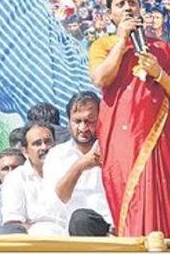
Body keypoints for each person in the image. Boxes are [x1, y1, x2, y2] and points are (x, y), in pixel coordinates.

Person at [89, 0, 170, 238]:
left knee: (165, 191)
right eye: (120, 4)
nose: (128, 7)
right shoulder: (103, 45)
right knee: (130, 194)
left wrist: (159, 73)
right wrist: (121, 41)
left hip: (161, 133)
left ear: (140, 8)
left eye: (132, 2)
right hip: (123, 136)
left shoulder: (162, 50)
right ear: (110, 14)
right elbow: (100, 78)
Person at [43, 91, 113, 236]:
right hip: (71, 231)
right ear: (68, 122)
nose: (83, 128)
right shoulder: (57, 155)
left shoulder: (114, 151)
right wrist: (79, 166)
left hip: (110, 228)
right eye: (77, 121)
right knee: (79, 219)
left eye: (89, 121)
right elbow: (58, 199)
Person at [0, 121, 64, 235]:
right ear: (25, 152)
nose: (44, 147)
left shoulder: (70, 171)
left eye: (48, 142)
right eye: (37, 143)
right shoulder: (15, 178)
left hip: (73, 239)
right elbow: (14, 223)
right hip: (36, 242)